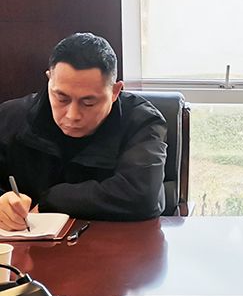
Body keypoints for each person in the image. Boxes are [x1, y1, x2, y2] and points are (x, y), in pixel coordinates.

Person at [0, 33, 167, 229]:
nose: (72, 115)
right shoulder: (10, 118)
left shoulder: (142, 122)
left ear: (115, 91)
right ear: (49, 80)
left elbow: (142, 196)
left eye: (88, 103)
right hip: (23, 245)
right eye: (61, 98)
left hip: (112, 242)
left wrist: (52, 200)